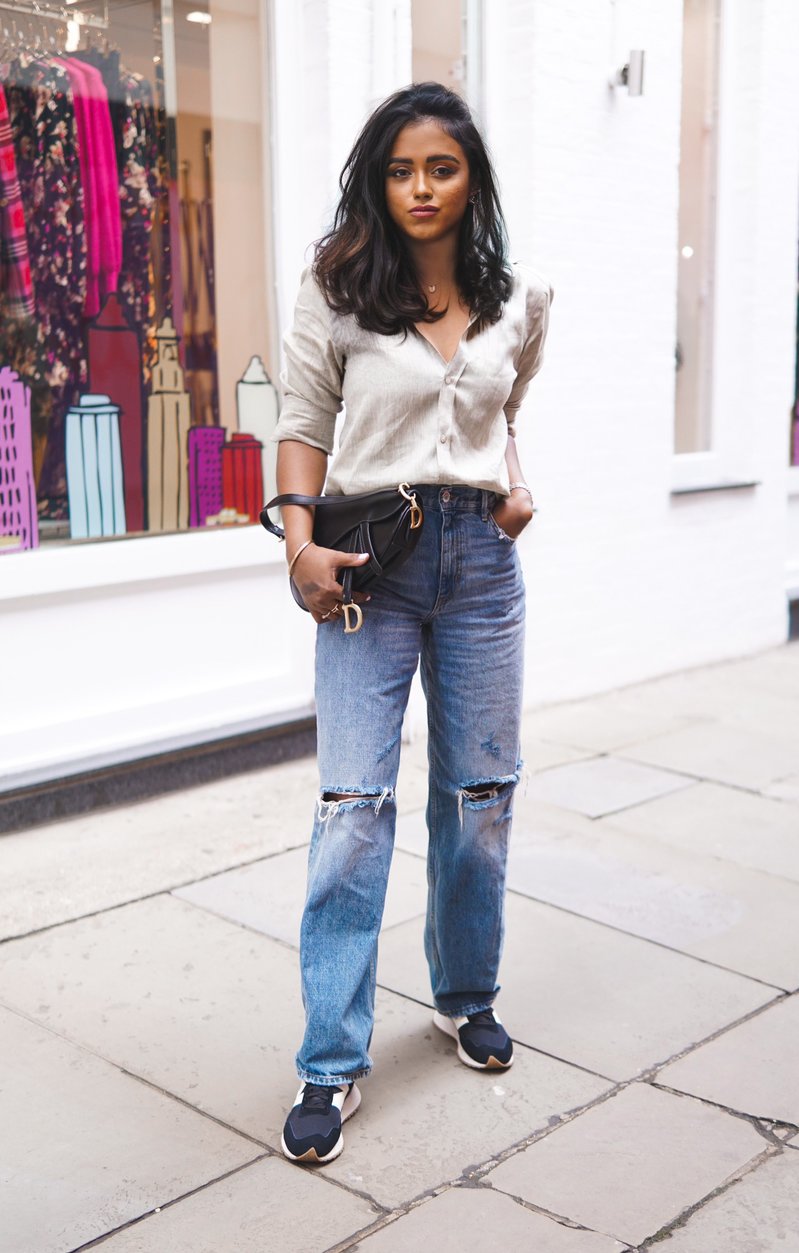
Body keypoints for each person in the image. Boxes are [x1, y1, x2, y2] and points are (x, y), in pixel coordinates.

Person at [272, 81, 553, 1165]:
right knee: (353, 807)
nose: (420, 187)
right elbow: (300, 425)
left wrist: (512, 480)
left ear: (469, 175)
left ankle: (463, 992)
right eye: (399, 169)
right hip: (368, 565)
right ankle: (329, 1060)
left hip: (482, 563)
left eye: (440, 166)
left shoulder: (517, 296)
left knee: (480, 796)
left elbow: (497, 413)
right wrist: (298, 546)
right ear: (375, 180)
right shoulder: (338, 287)